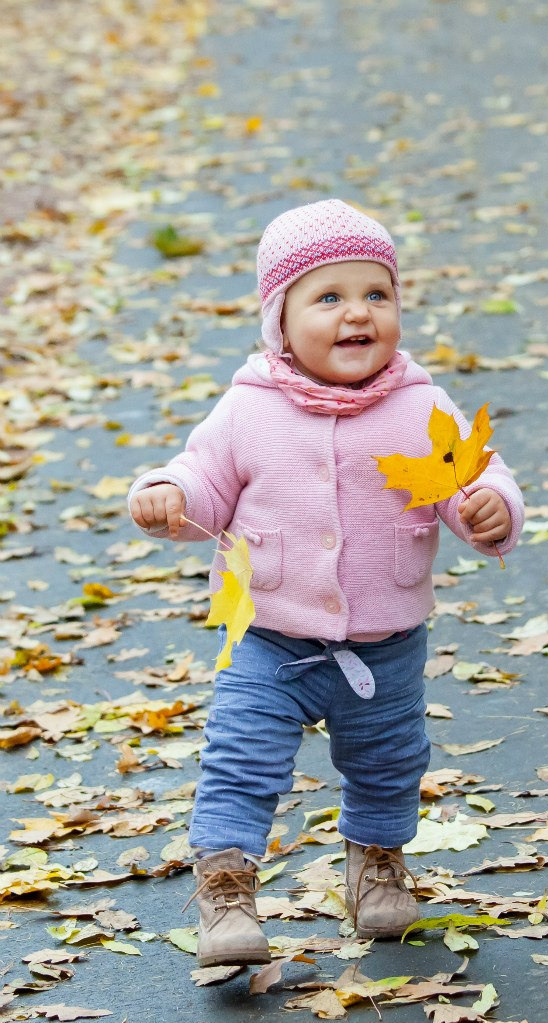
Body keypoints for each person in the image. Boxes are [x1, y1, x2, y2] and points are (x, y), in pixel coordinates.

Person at [129, 199, 524, 968]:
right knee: (241, 758)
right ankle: (226, 889)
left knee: (389, 760)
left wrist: (488, 508)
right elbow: (203, 479)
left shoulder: (420, 405)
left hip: (385, 643)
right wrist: (167, 495)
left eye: (377, 295)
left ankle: (377, 868)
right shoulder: (248, 408)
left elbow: (473, 476)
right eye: (330, 297)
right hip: (271, 636)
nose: (358, 315)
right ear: (280, 318)